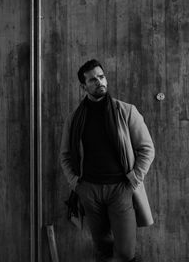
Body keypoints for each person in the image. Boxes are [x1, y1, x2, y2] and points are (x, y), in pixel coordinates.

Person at [60, 59, 155, 262]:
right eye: (93, 80)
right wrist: (76, 184)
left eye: (101, 77)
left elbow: (147, 149)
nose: (99, 82)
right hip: (89, 190)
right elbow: (65, 155)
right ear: (83, 86)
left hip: (120, 189)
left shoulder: (126, 111)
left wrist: (133, 179)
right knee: (102, 249)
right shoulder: (74, 118)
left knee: (126, 252)